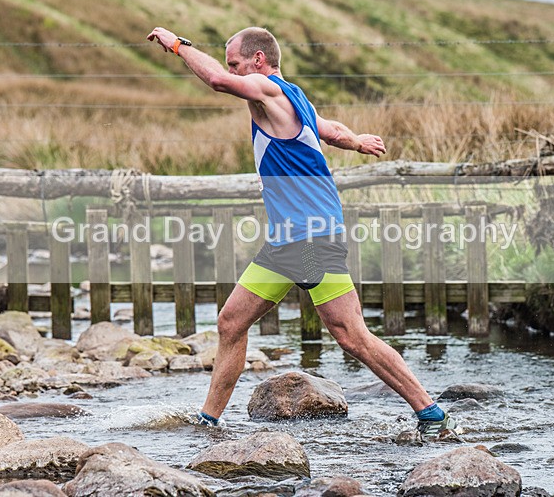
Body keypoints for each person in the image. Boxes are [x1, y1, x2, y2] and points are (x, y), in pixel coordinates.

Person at [146, 26, 456, 437]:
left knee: (349, 334)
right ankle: (209, 420)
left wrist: (178, 45)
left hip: (311, 239)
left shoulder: (265, 88)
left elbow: (219, 83)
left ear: (258, 60)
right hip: (284, 244)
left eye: (236, 62)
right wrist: (358, 141)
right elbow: (330, 130)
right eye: (230, 65)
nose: (232, 71)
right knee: (230, 323)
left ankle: (428, 410)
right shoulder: (296, 98)